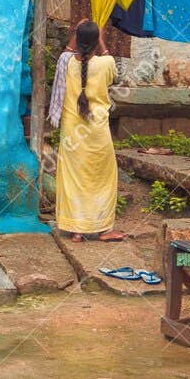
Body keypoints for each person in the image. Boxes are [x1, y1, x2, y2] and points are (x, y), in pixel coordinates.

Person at [54, 18, 125, 242]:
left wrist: (77, 32)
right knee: (101, 178)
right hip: (97, 132)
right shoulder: (106, 63)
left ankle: (77, 229)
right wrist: (101, 41)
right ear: (96, 42)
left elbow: (67, 51)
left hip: (72, 132)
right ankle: (103, 229)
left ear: (77, 39)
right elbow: (113, 71)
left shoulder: (66, 62)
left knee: (74, 178)